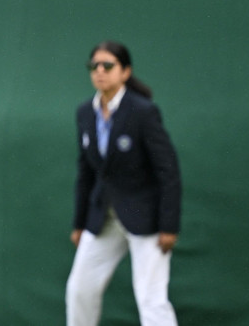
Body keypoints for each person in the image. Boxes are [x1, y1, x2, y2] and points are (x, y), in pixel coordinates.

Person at [65, 41, 181, 326]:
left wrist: (169, 225)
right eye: (94, 66)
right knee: (79, 290)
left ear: (125, 72)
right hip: (102, 216)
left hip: (146, 218)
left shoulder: (143, 112)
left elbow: (168, 169)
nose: (99, 71)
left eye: (108, 65)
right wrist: (79, 223)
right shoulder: (85, 113)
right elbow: (86, 172)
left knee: (151, 298)